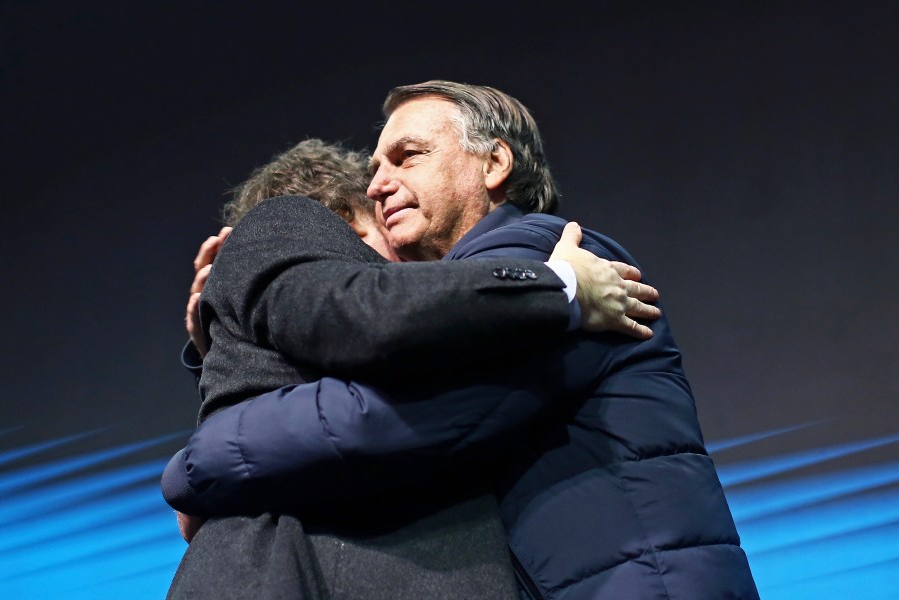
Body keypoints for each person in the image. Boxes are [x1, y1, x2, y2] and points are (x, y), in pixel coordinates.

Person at [167, 81, 760, 599]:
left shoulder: (549, 258)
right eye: (375, 169)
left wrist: (200, 465)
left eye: (408, 157)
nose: (378, 185)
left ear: (494, 163)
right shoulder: (505, 285)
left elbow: (385, 420)